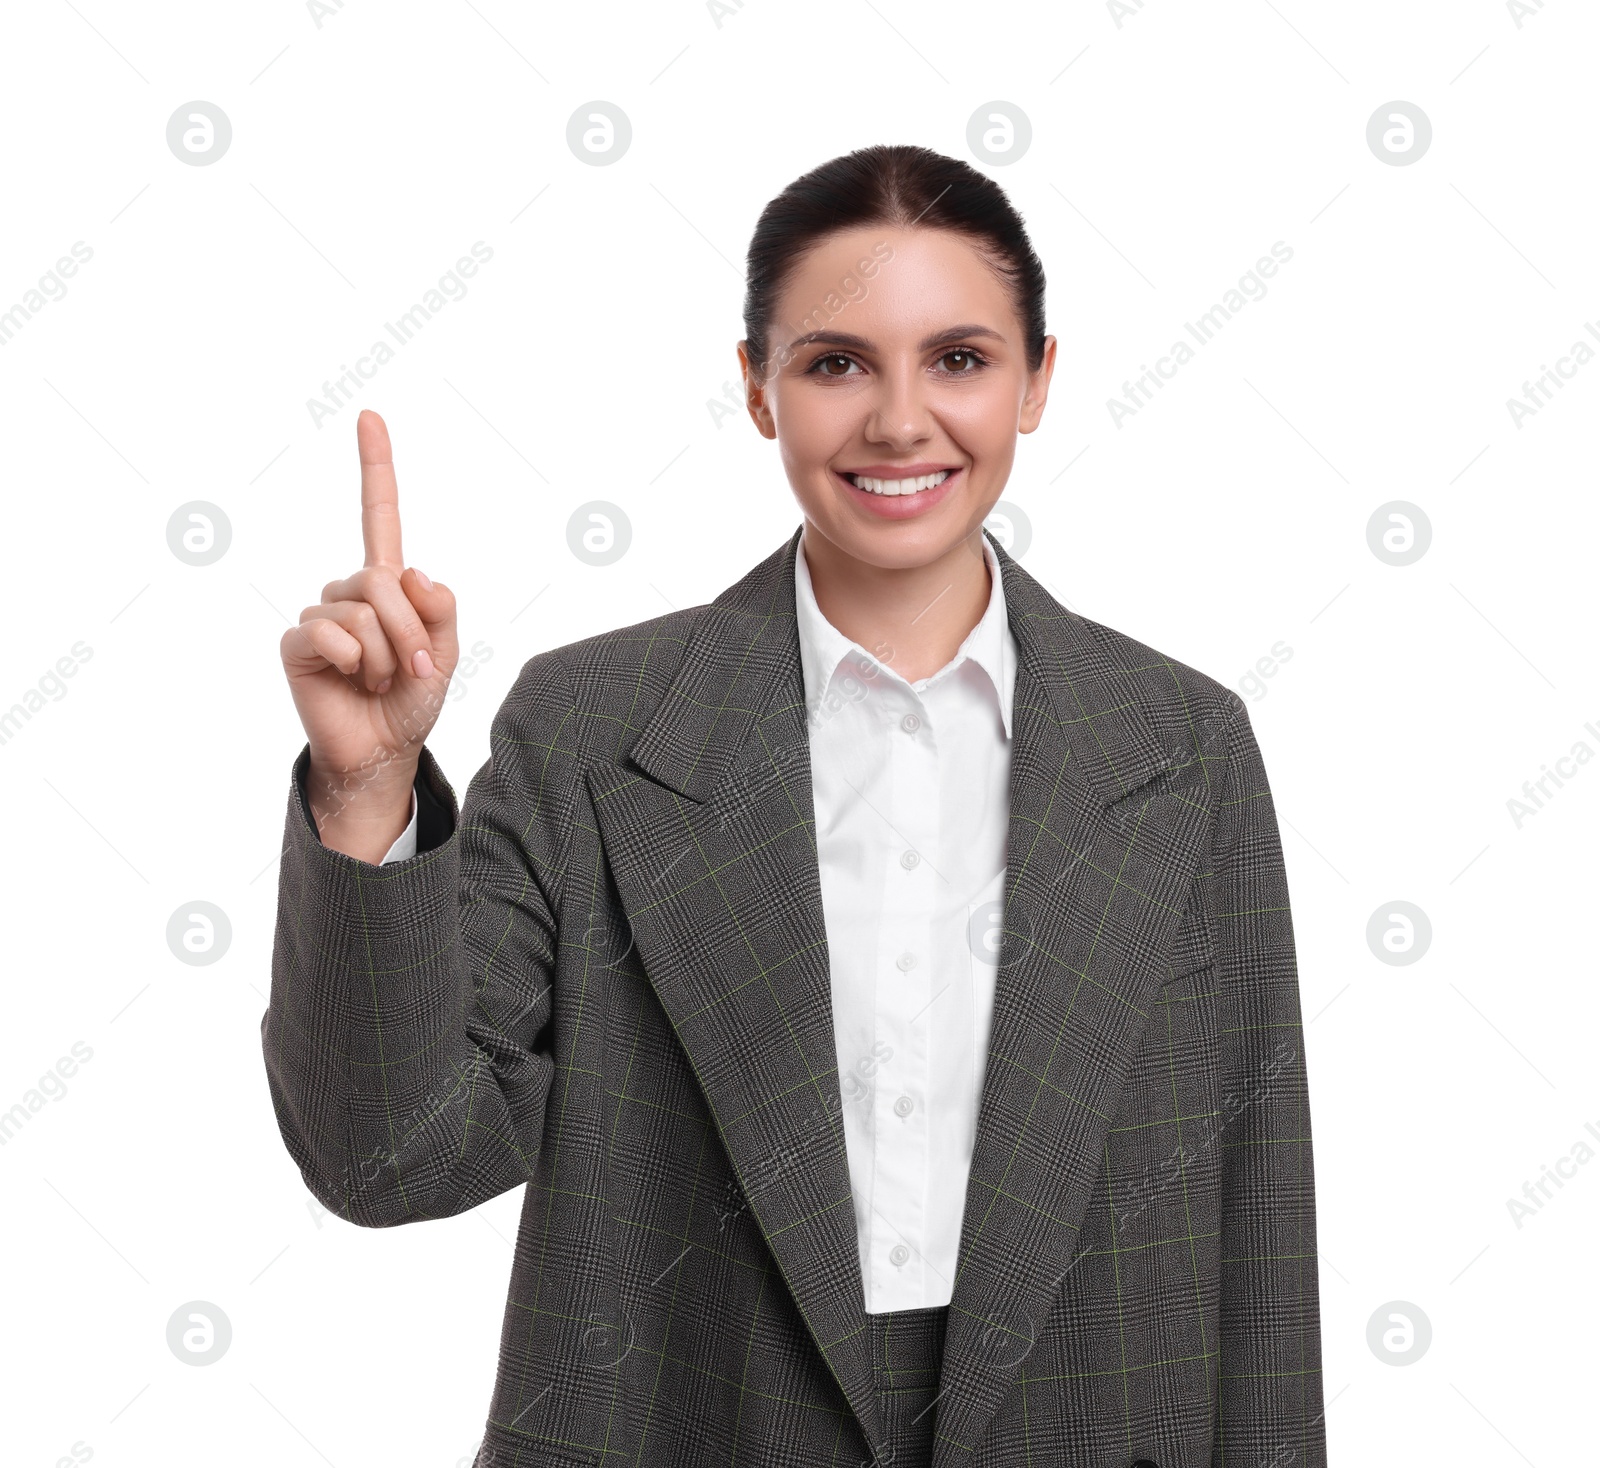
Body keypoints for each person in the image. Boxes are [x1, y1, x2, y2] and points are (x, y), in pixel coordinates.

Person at [262, 143, 1325, 1468]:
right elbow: (394, 1159)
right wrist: (366, 789)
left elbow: (1258, 1223)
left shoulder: (1180, 746)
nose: (897, 420)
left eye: (959, 358)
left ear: (1038, 381)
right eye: (835, 363)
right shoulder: (596, 732)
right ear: (759, 389)